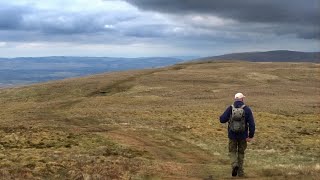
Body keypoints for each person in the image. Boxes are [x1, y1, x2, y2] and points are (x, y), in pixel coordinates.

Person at [219, 93, 255, 177]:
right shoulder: (247, 109)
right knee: (241, 153)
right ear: (242, 99)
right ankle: (241, 172)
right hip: (243, 136)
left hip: (232, 135)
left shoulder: (230, 108)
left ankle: (234, 165)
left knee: (232, 151)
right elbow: (252, 124)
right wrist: (250, 136)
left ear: (235, 99)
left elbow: (222, 119)